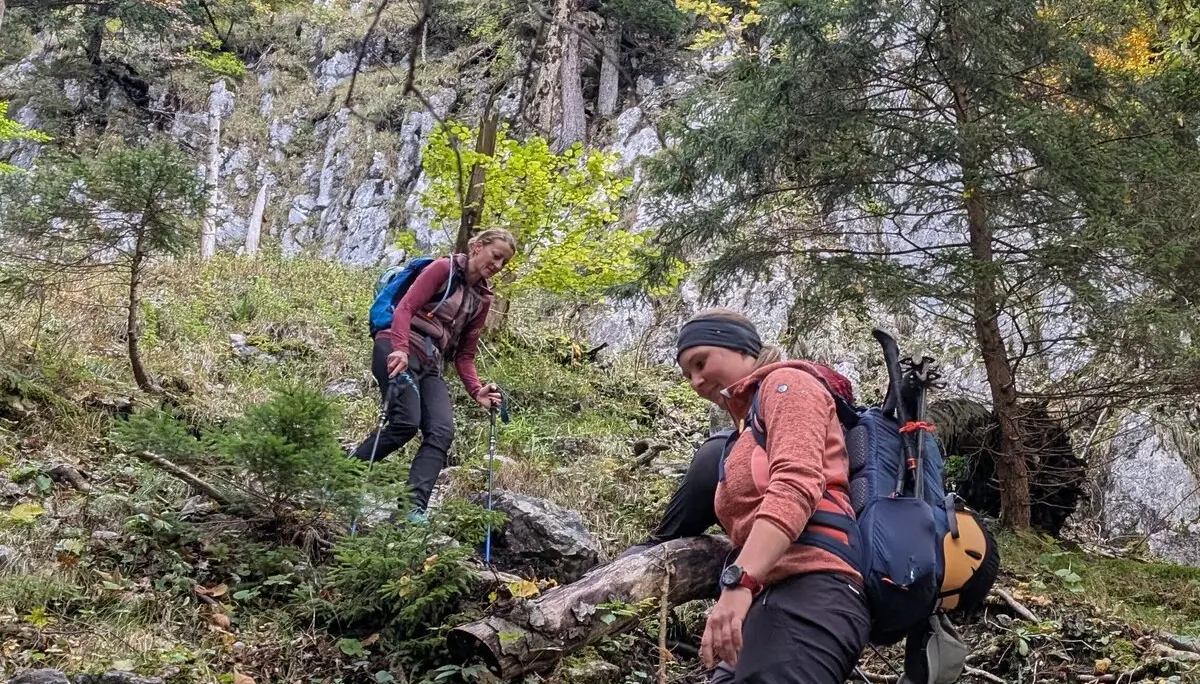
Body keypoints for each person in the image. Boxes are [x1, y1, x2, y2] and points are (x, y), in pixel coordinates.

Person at [674, 308, 869, 684]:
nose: (696, 381)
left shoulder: (788, 384)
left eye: (701, 362)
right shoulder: (746, 427)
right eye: (687, 375)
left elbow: (796, 485)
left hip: (812, 593)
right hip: (767, 601)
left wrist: (739, 582)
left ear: (743, 348)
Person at [351, 229, 516, 520]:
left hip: (431, 362)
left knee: (441, 431)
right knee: (405, 422)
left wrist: (476, 389)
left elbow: (465, 354)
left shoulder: (482, 299)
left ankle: (412, 510)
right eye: (496, 256)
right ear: (478, 247)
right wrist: (400, 349)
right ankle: (342, 473)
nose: (498, 266)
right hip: (395, 345)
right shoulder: (443, 268)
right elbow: (406, 308)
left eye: (504, 262)